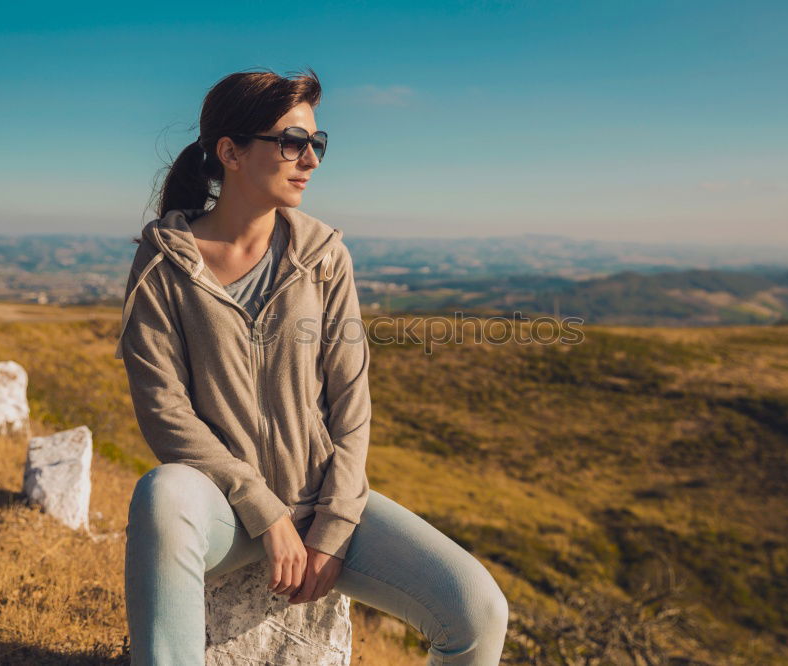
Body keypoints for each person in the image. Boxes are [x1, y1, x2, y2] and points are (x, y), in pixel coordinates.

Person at [115, 68, 509, 665]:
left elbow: (351, 406)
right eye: (293, 142)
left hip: (324, 496)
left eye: (316, 144)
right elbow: (164, 409)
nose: (311, 160)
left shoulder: (324, 258)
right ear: (232, 152)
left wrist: (333, 527)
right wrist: (262, 506)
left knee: (478, 610)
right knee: (161, 494)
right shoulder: (163, 264)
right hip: (226, 509)